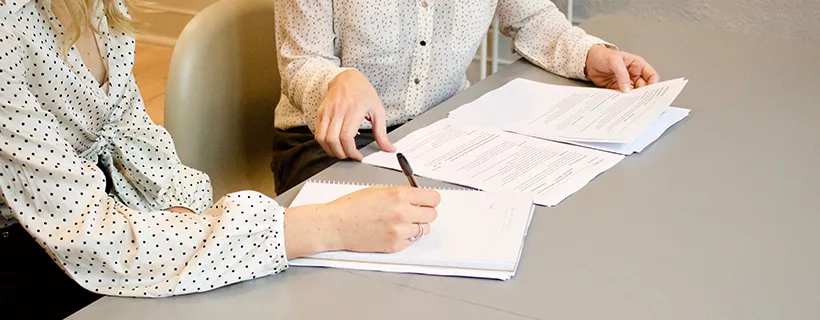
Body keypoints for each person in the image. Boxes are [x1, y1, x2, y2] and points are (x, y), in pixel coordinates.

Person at [0, 0, 441, 318]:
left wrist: (184, 214)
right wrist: (328, 227)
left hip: (102, 219)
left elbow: (135, 138)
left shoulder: (97, 9)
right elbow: (91, 236)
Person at [271, 0, 661, 194]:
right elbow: (300, 60)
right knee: (389, 237)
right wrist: (337, 81)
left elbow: (531, 18)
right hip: (329, 141)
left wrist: (591, 55)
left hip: (441, 128)